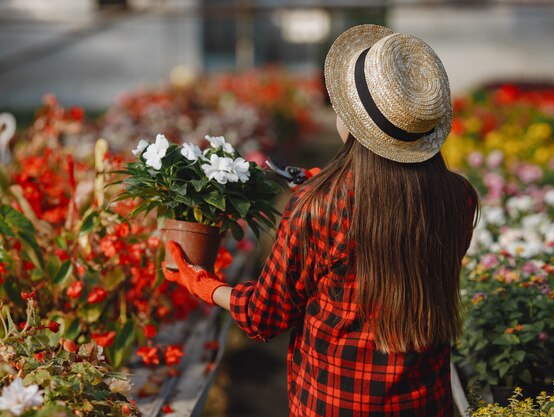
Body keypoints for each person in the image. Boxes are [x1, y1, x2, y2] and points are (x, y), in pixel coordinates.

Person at [163, 24, 478, 417]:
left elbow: (266, 314)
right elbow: (395, 217)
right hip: (423, 403)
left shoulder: (319, 206)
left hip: (333, 403)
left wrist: (204, 284)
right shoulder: (458, 197)